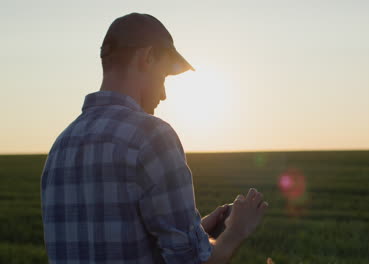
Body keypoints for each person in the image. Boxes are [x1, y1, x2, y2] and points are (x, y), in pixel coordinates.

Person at [40, 12, 268, 264]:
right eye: (163, 77)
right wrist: (237, 231)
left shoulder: (60, 147)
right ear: (147, 57)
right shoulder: (151, 136)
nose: (164, 94)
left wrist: (198, 232)